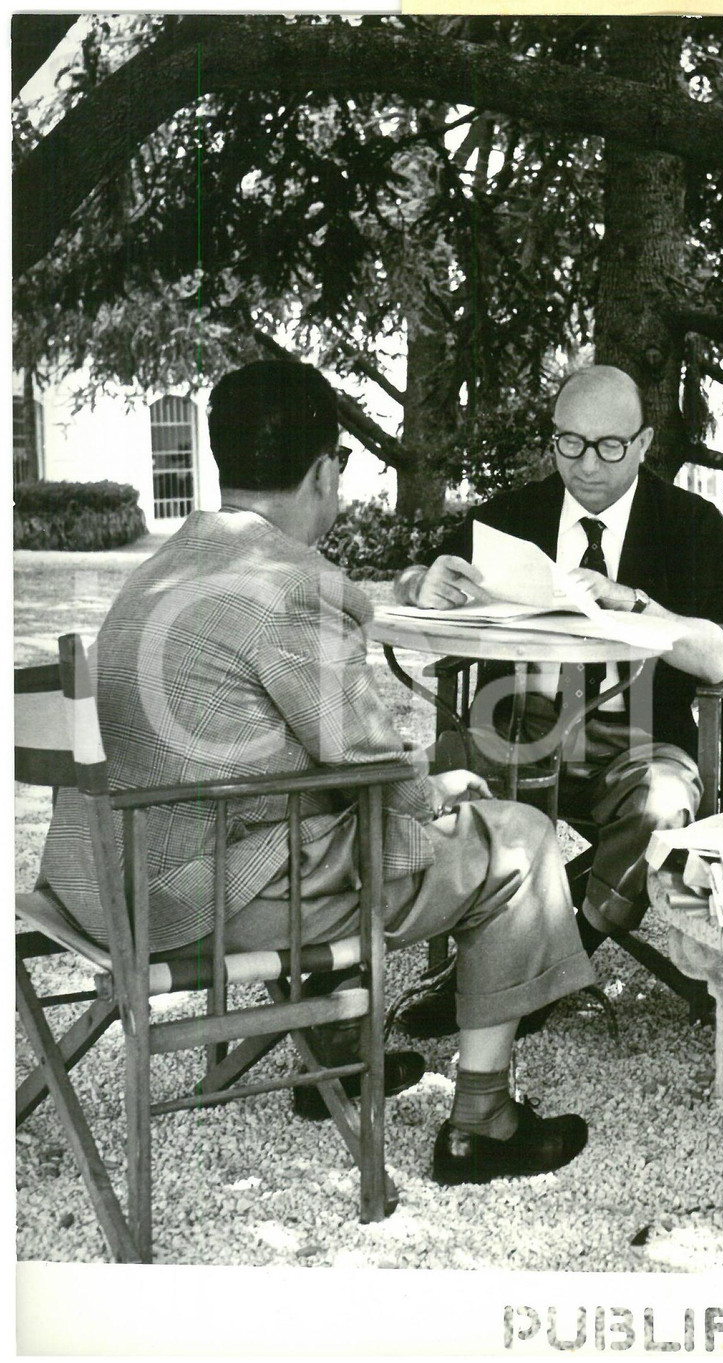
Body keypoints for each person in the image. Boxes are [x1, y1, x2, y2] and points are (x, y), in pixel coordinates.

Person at [38, 359, 596, 1186]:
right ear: (326, 469)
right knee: (520, 838)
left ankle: (331, 1049)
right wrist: (431, 789)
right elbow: (371, 763)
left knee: (319, 808)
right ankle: (483, 1119)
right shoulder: (294, 587)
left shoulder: (168, 564)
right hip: (199, 899)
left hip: (102, 880)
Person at [394, 364, 723, 1037]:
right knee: (422, 783)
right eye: (569, 443)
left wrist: (636, 604)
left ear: (643, 443)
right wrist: (420, 582)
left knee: (664, 805)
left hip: (640, 740)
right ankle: (498, 967)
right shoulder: (513, 516)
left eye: (610, 445)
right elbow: (416, 576)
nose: (587, 464)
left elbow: (719, 657)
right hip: (518, 730)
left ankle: (547, 968)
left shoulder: (689, 524)